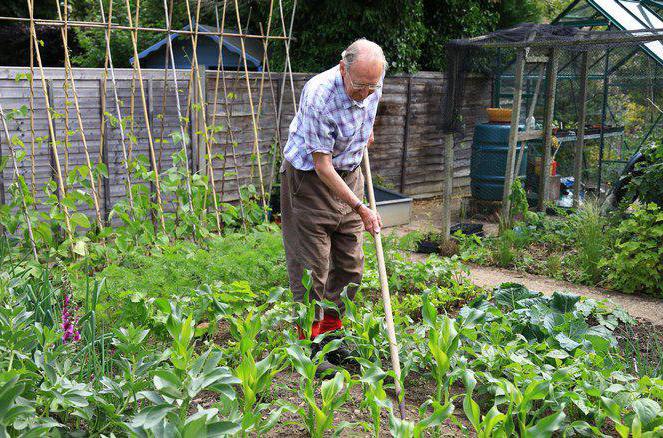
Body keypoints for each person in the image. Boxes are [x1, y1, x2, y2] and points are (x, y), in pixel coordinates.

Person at [280, 38, 386, 374]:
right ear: (343, 68)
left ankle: (330, 335)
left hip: (349, 174)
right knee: (313, 270)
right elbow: (322, 164)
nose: (366, 92)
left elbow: (366, 123)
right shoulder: (319, 94)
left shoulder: (372, 84)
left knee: (351, 268)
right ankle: (307, 347)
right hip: (310, 182)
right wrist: (362, 207)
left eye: (373, 85)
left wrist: (364, 133)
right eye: (360, 85)